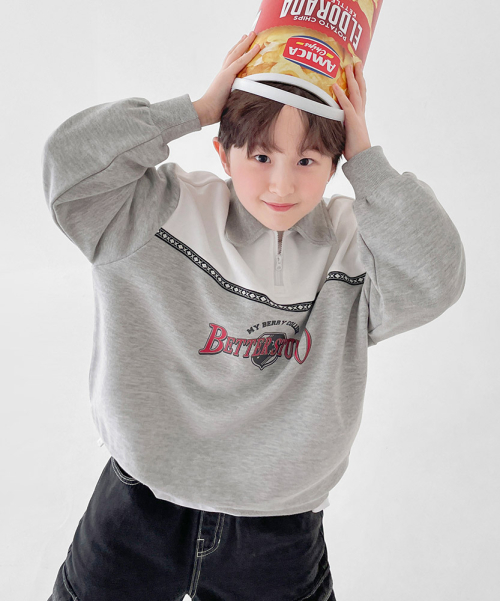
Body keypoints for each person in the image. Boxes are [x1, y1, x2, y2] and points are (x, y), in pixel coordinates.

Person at [42, 31, 466, 601]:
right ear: (224, 152)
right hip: (136, 508)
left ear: (334, 165)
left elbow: (439, 276)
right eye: (261, 156)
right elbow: (69, 166)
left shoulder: (353, 247)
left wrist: (367, 160)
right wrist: (194, 111)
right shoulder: (155, 212)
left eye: (308, 159)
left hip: (277, 533)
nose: (281, 184)